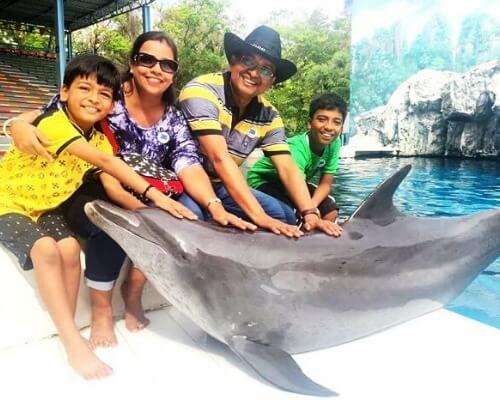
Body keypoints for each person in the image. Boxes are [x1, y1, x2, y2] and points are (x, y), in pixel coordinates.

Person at [7, 31, 255, 350]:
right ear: (133, 63)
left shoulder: (174, 118)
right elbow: (49, 115)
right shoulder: (108, 97)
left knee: (190, 215)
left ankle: (135, 288)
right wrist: (15, 124)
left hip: (147, 184)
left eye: (167, 64)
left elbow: (187, 162)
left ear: (174, 72)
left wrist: (212, 204)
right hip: (95, 184)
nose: (156, 69)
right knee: (110, 224)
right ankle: (101, 308)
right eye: (147, 59)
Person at [0, 54, 198, 379]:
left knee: (68, 249)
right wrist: (155, 195)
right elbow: (110, 165)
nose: (94, 99)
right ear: (64, 92)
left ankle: (68, 326)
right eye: (85, 89)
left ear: (112, 103)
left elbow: (113, 185)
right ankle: (71, 340)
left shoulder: (100, 138)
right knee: (46, 250)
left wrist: (151, 211)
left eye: (104, 94)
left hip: (45, 207)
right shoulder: (55, 123)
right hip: (7, 202)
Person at [178, 26, 342, 237]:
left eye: (266, 70)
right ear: (233, 60)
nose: (254, 73)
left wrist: (310, 213)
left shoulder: (269, 115)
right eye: (248, 61)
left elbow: (287, 168)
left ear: (272, 81)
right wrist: (258, 215)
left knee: (285, 217)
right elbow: (219, 158)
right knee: (191, 220)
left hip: (220, 186)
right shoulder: (202, 91)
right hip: (184, 180)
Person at [247, 93, 346, 223]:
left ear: (342, 127)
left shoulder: (334, 143)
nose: (329, 127)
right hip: (264, 181)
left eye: (336, 122)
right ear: (310, 124)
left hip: (295, 182)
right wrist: (308, 211)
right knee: (291, 215)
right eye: (322, 119)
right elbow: (293, 180)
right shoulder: (296, 148)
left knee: (330, 211)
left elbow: (326, 183)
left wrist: (313, 206)